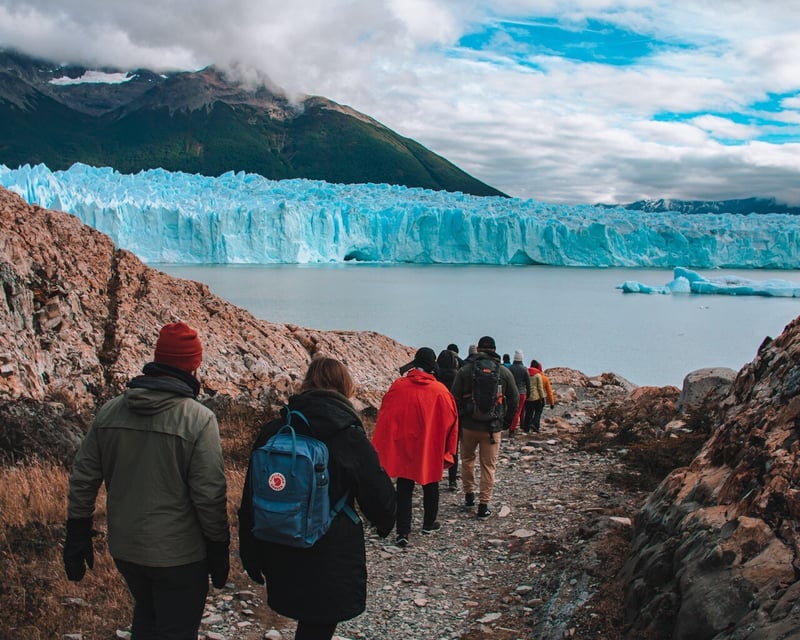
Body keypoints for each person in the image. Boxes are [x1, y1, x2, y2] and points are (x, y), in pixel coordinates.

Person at [64, 322, 230, 639]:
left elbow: (83, 478)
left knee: (146, 615)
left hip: (127, 549)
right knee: (176, 629)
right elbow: (209, 495)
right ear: (193, 365)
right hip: (179, 555)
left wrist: (77, 532)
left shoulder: (110, 412)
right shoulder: (198, 419)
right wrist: (218, 547)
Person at [238, 356, 396, 640]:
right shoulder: (348, 434)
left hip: (278, 545)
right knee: (318, 626)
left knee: (308, 624)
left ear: (307, 383)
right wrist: (385, 524)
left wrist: (250, 552)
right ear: (345, 387)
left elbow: (250, 497)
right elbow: (381, 499)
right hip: (329, 553)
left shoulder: (275, 430)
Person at [372, 347, 459, 546]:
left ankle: (403, 532)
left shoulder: (399, 386)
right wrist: (448, 448)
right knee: (431, 484)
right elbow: (451, 422)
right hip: (430, 446)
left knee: (404, 489)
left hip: (405, 446)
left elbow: (386, 414)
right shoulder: (440, 391)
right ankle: (428, 523)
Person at [451, 336, 519, 519]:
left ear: (479, 349)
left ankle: (468, 495)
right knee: (488, 466)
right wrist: (505, 422)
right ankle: (483, 505)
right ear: (495, 349)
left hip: (468, 426)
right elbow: (514, 399)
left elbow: (453, 397)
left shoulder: (465, 371)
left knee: (467, 460)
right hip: (492, 428)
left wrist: (460, 418)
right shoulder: (504, 372)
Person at [435, 344, 463, 491]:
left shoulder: (435, 377)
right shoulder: (458, 376)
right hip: (453, 416)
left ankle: (433, 475)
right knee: (453, 449)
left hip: (436, 416)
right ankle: (452, 481)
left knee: (434, 447)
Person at [523, 359, 553, 432]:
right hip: (537, 397)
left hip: (527, 396)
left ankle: (526, 427)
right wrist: (550, 402)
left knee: (528, 413)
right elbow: (546, 390)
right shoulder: (541, 377)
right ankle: (535, 425)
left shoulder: (526, 374)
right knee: (538, 412)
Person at [508, 350, 531, 439]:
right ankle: (512, 429)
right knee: (518, 412)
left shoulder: (510, 369)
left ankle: (508, 426)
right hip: (521, 393)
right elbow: (528, 383)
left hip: (512, 392)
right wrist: (528, 393)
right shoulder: (524, 369)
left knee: (510, 411)